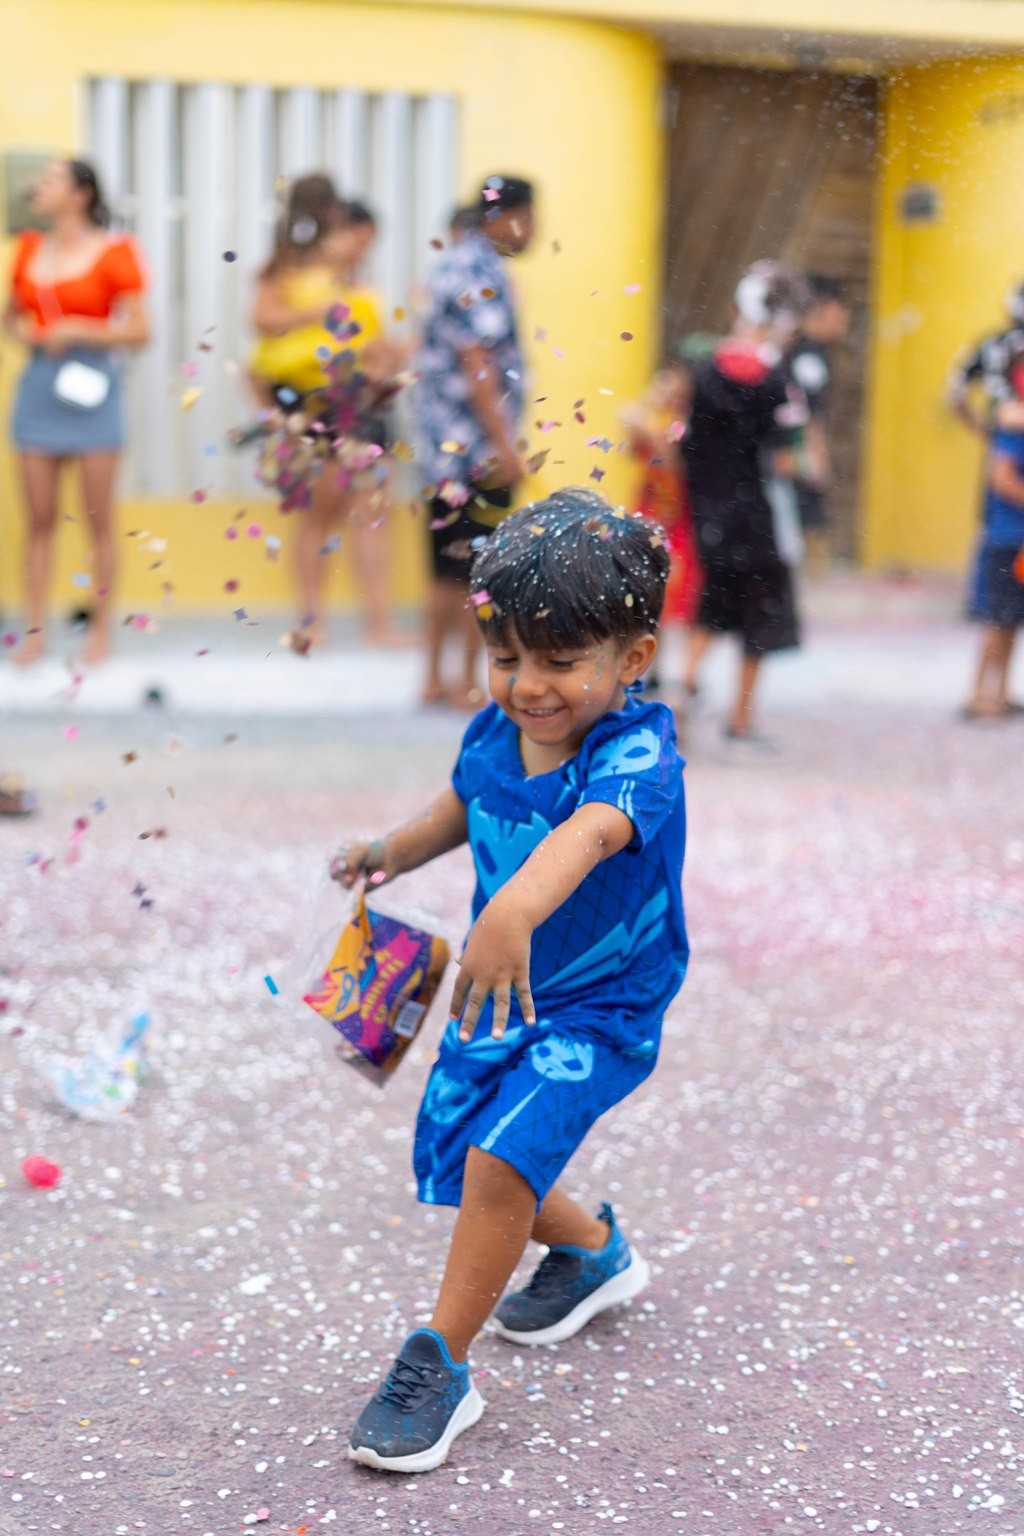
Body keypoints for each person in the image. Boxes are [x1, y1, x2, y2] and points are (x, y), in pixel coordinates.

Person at [334, 489, 688, 1473]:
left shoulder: (637, 754)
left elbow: (589, 834)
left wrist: (512, 910)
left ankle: (438, 1365)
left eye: (560, 661)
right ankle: (594, 1252)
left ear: (633, 657)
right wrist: (389, 853)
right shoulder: (496, 734)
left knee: (497, 1161)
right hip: (506, 985)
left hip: (602, 1003)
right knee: (464, 1156)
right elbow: (463, 804)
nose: (528, 685)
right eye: (505, 657)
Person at [250, 175, 408, 650]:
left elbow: (372, 343)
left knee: (370, 512)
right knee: (320, 513)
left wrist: (392, 358)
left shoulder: (358, 288)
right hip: (314, 402)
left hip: (362, 402)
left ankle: (378, 623)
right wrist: (319, 311)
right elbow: (261, 322)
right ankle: (312, 620)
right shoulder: (288, 274)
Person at [3, 158, 149, 667]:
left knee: (98, 520)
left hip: (93, 389)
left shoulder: (115, 251)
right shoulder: (28, 249)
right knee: (39, 519)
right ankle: (34, 634)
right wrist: (32, 335)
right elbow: (10, 318)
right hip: (40, 387)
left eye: (51, 181)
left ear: (81, 193)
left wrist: (81, 330)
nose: (38, 188)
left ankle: (100, 634)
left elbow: (140, 330)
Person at [416, 174, 534, 707]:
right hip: (475, 451)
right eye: (528, 218)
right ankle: (464, 682)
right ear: (505, 217)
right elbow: (478, 362)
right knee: (477, 571)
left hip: (444, 450)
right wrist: (504, 446)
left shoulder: (452, 264)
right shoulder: (479, 270)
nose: (532, 231)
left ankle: (433, 679)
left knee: (447, 567)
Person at [681, 261, 808, 742]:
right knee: (759, 617)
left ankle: (684, 687)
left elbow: (689, 445)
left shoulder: (705, 372)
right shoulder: (777, 382)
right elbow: (784, 459)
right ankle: (741, 718)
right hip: (759, 518)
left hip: (712, 514)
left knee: (712, 606)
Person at [948, 281, 1024, 624]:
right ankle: (993, 602)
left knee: (993, 525)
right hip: (1009, 441)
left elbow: (955, 391)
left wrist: (981, 428)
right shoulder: (1002, 347)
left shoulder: (991, 343)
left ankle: (984, 600)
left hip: (1002, 439)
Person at [620, 362, 701, 649]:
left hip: (677, 512)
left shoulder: (685, 421)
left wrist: (651, 432)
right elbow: (629, 438)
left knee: (674, 588)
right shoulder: (657, 418)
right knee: (645, 584)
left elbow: (673, 462)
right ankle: (650, 656)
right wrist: (649, 401)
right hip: (649, 507)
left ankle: (673, 660)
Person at [963, 363, 1024, 720]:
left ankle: (1000, 692)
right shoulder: (1013, 427)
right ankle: (977, 694)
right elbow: (1001, 478)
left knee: (1012, 620)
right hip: (1006, 538)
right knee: (997, 620)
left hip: (1015, 537)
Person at [783, 273, 851, 572]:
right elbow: (807, 412)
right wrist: (815, 455)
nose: (845, 318)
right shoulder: (807, 355)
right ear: (823, 306)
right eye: (841, 309)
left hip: (788, 456)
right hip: (793, 457)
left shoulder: (800, 348)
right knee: (808, 524)